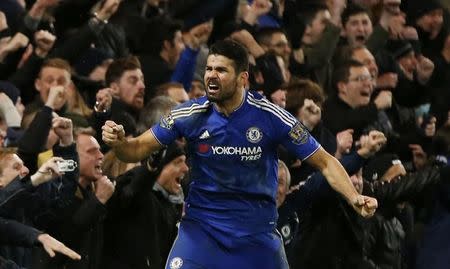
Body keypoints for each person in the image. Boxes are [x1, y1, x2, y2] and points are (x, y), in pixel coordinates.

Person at [102, 40, 378, 269]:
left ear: (242, 78)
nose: (211, 75)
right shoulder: (190, 114)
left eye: (221, 70)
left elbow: (326, 162)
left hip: (256, 237)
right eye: (209, 68)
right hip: (201, 233)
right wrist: (119, 142)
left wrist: (353, 197)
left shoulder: (271, 117)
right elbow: (136, 148)